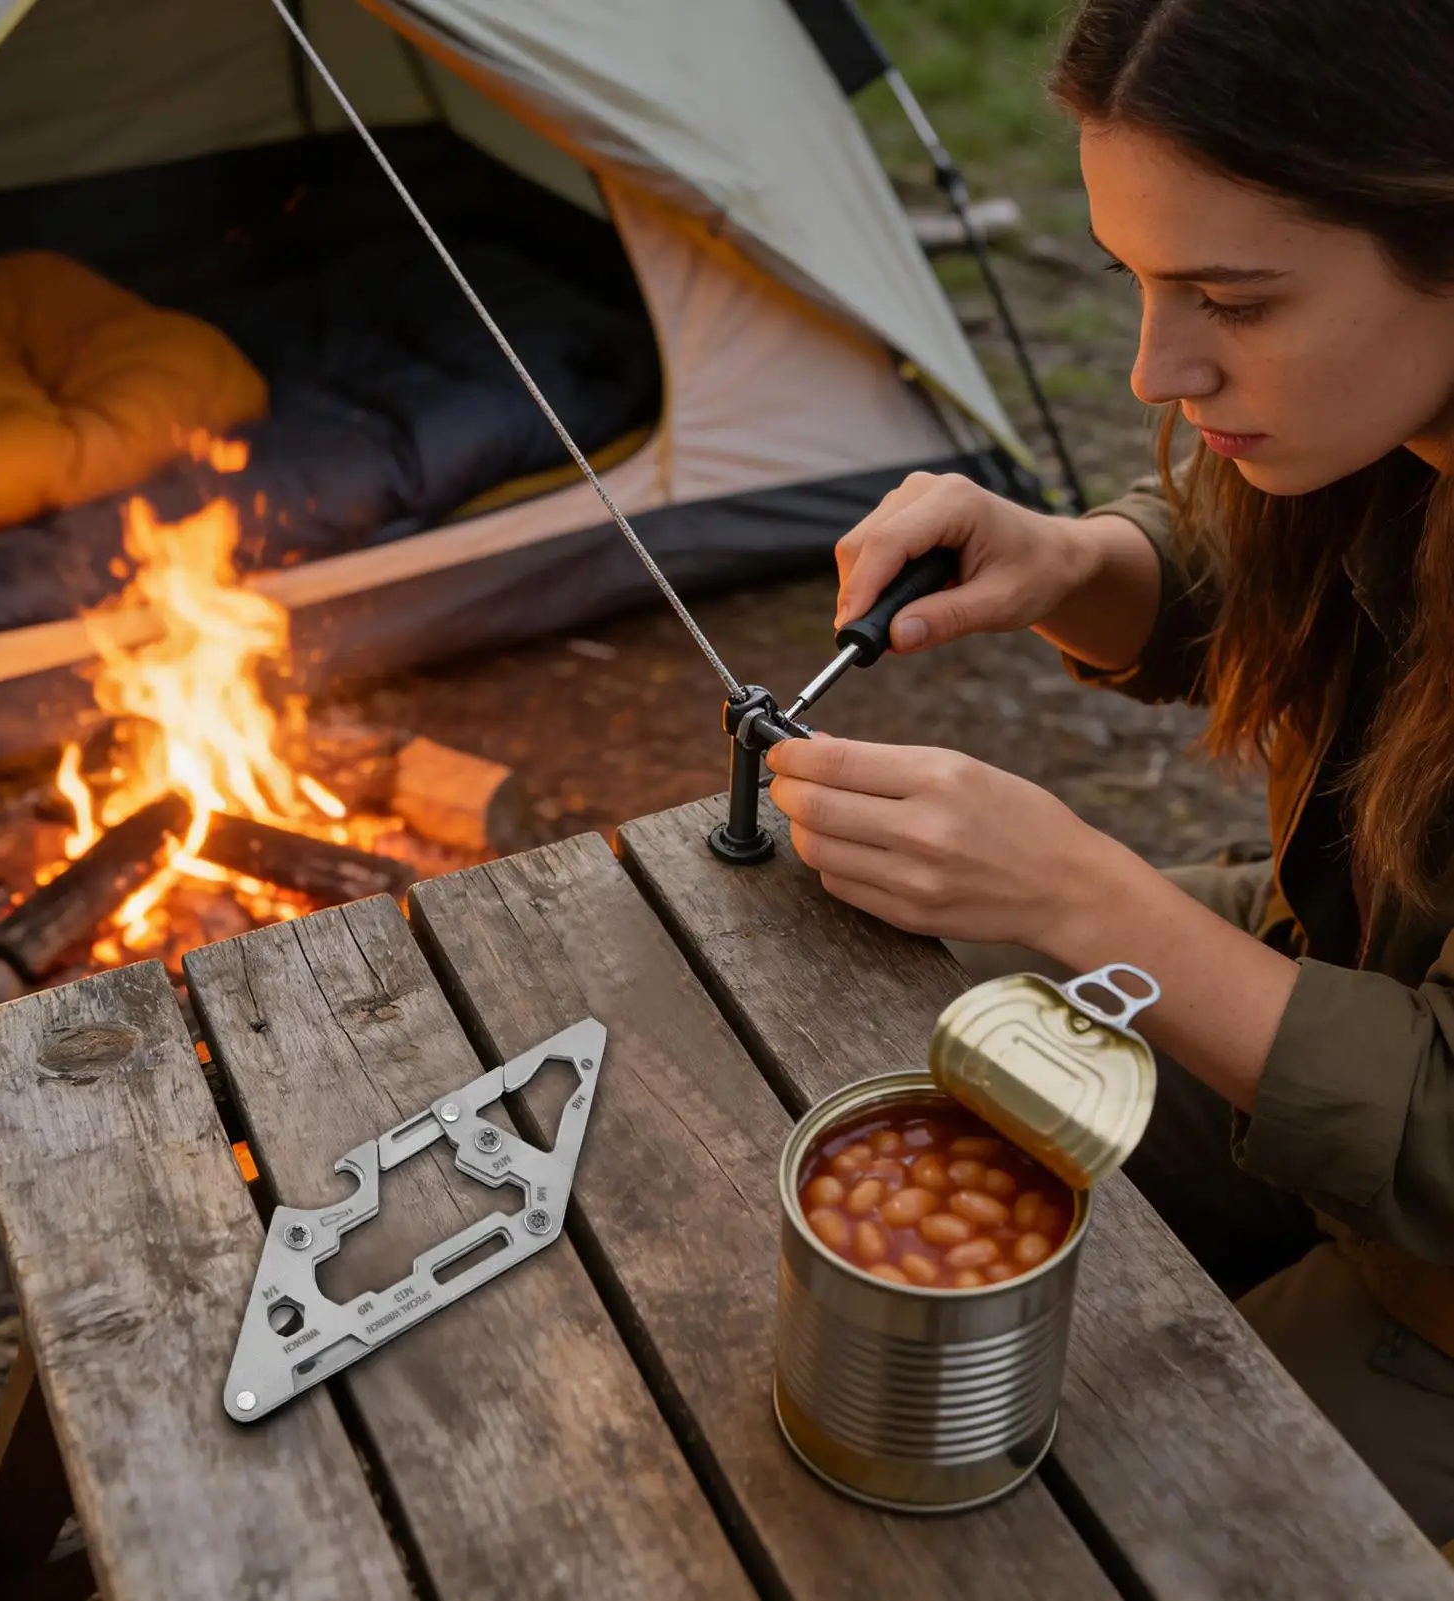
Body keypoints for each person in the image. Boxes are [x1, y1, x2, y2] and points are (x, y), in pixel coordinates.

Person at [764, 0, 1454, 1546]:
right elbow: (1269, 575)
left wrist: (1084, 893)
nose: (1156, 370)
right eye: (1136, 281)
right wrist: (1068, 562)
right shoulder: (1391, 417)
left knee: (1103, 1524)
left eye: (1230, 299)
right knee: (901, 1004)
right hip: (1340, 969)